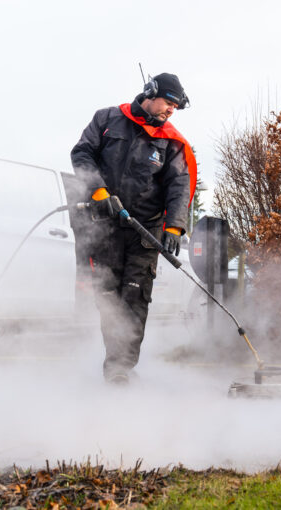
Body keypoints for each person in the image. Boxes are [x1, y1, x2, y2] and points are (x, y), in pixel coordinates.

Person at [70, 73, 196, 384]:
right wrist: (98, 192)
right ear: (150, 93)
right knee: (109, 296)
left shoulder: (171, 141)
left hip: (145, 231)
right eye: (168, 103)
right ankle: (115, 360)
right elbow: (82, 153)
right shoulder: (107, 119)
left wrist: (175, 227)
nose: (171, 111)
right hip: (104, 225)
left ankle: (120, 368)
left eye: (175, 107)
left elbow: (179, 185)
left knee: (136, 296)